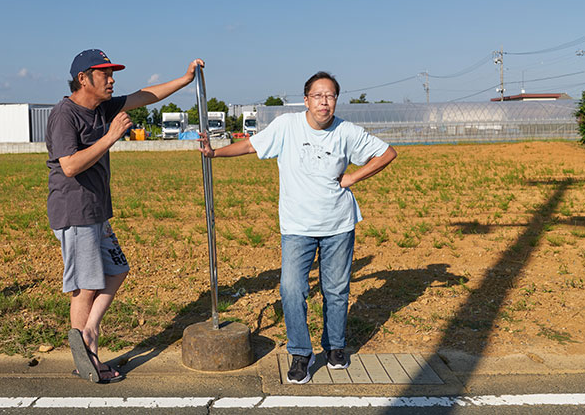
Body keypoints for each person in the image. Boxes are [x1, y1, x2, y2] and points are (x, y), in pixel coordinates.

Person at [198, 71, 396, 384]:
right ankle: (301, 352)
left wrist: (353, 177)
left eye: (330, 96)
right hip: (297, 227)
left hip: (338, 224)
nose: (324, 102)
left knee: (336, 290)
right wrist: (214, 152)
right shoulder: (287, 126)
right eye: (318, 96)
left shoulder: (346, 131)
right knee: (291, 288)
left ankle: (335, 347)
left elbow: (387, 153)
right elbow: (251, 146)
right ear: (306, 100)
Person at [46, 49, 204, 383]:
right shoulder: (65, 113)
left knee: (118, 269)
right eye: (105, 74)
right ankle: (88, 360)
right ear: (83, 78)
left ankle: (87, 333)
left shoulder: (103, 107)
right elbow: (70, 165)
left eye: (112, 73)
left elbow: (145, 96)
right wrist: (110, 137)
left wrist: (185, 79)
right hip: (75, 212)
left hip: (97, 211)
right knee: (84, 288)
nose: (112, 79)